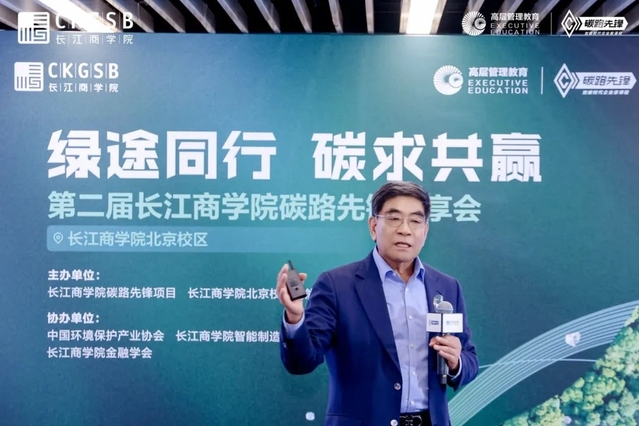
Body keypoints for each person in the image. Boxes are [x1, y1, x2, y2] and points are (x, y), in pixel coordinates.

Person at [276, 181, 478, 426]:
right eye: (394, 219)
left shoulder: (446, 287)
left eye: (415, 221)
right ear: (373, 226)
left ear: (425, 231)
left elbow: (470, 360)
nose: (405, 230)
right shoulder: (337, 285)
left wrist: (456, 362)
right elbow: (302, 362)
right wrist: (295, 318)